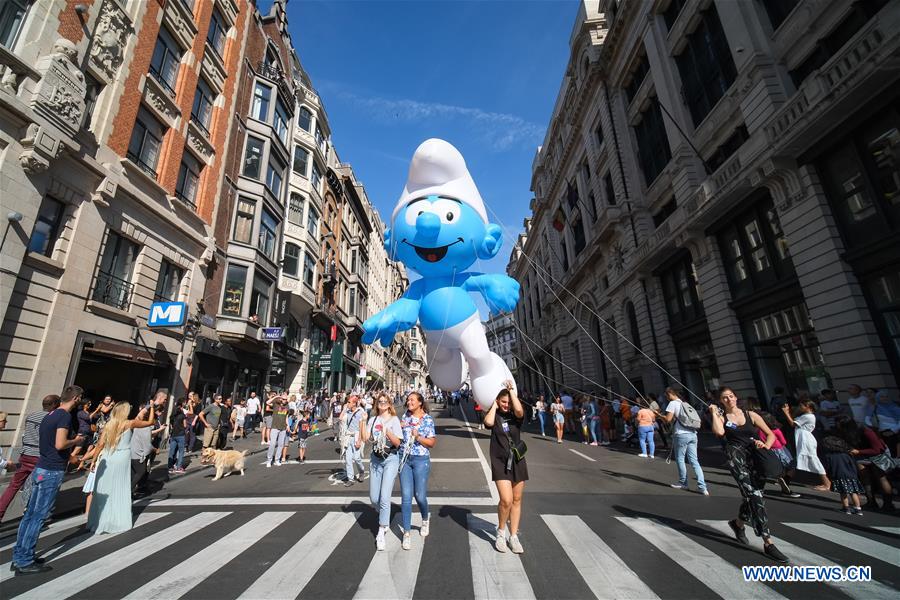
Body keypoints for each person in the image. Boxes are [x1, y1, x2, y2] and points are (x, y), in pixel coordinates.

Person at [11, 386, 87, 575]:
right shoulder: (64, 416)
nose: (80, 402)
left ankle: (20, 555)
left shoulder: (50, 415)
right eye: (80, 399)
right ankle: (25, 560)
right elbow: (60, 444)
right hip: (51, 470)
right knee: (38, 517)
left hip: (41, 467)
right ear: (76, 398)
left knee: (30, 515)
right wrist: (76, 441)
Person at [709, 387, 788, 563]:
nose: (729, 400)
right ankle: (768, 542)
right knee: (754, 495)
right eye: (725, 398)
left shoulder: (751, 415)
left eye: (731, 396)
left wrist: (765, 445)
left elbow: (770, 434)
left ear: (736, 397)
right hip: (736, 458)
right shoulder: (722, 417)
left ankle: (737, 524)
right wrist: (714, 413)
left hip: (755, 458)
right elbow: (719, 432)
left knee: (751, 496)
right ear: (720, 401)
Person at [87, 401, 155, 533]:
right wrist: (151, 407)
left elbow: (100, 445)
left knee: (104, 489)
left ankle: (100, 520)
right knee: (119, 488)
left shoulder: (108, 425)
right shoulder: (129, 423)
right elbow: (150, 422)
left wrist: (93, 460)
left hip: (107, 457)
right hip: (121, 458)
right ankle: (116, 519)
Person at [483, 381, 527, 554]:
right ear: (498, 401)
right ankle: (501, 532)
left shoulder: (516, 417)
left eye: (508, 402)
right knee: (506, 500)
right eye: (503, 402)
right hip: (500, 461)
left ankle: (513, 536)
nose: (506, 405)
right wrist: (494, 405)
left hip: (517, 460)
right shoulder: (495, 416)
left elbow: (519, 410)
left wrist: (511, 392)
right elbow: (487, 422)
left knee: (517, 500)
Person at [0, 395, 59, 522]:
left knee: (13, 486)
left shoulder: (31, 416)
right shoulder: (51, 418)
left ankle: (0, 512)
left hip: (25, 454)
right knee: (39, 487)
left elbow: (26, 434)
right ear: (54, 405)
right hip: (39, 456)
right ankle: (31, 515)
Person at [360, 392, 402, 551]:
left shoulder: (394, 420)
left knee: (385, 497)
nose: (382, 403)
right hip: (376, 459)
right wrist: (363, 422)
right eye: (380, 401)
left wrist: (387, 431)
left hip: (390, 458)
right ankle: (384, 513)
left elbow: (398, 443)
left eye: (385, 401)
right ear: (377, 404)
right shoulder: (373, 419)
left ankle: (381, 530)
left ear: (390, 404)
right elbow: (366, 439)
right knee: (374, 498)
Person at [399, 392, 436, 551]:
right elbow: (398, 438)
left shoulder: (427, 419)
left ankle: (425, 519)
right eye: (408, 399)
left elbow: (432, 443)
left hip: (421, 460)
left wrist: (418, 437)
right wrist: (396, 430)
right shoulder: (404, 417)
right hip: (404, 459)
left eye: (412, 400)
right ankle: (406, 533)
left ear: (420, 403)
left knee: (420, 496)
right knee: (406, 496)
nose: (409, 402)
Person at [658, 387, 708, 495]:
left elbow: (668, 419)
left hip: (681, 434)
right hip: (693, 434)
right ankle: (702, 487)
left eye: (666, 395)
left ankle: (683, 483)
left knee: (680, 459)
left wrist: (659, 415)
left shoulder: (672, 403)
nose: (666, 398)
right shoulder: (684, 403)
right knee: (694, 461)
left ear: (670, 394)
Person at [781, 399, 830, 491]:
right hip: (802, 439)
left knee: (813, 459)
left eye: (802, 406)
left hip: (806, 440)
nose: (800, 407)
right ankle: (786, 478)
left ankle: (826, 483)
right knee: (799, 458)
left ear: (808, 406)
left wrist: (786, 412)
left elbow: (792, 423)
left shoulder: (809, 416)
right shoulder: (805, 415)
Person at [821, 416, 866, 515]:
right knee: (854, 492)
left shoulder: (830, 456)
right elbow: (852, 464)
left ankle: (846, 508)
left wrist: (831, 475)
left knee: (843, 493)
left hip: (840, 476)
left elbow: (829, 467)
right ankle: (858, 508)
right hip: (851, 476)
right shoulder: (847, 454)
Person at [758, 412, 799, 498]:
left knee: (777, 465)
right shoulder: (776, 430)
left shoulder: (760, 431)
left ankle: (780, 478)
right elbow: (784, 442)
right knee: (790, 465)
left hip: (768, 450)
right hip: (780, 450)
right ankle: (785, 479)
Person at [343, 395, 366, 484]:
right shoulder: (347, 412)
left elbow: (361, 427)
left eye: (349, 402)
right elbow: (341, 418)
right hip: (348, 437)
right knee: (348, 459)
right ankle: (350, 479)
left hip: (356, 436)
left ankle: (361, 471)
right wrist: (345, 409)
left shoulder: (360, 412)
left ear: (354, 403)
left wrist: (359, 440)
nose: (347, 404)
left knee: (357, 458)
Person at [871, 390, 900, 456]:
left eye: (886, 396)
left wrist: (893, 431)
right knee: (889, 453)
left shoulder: (894, 407)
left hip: (894, 433)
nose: (885, 398)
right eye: (882, 396)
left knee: (896, 453)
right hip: (882, 433)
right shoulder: (875, 407)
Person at [266, 396, 289, 468]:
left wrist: (288, 425)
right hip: (275, 427)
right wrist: (276, 396)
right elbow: (267, 402)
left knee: (281, 445)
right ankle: (269, 460)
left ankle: (277, 460)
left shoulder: (287, 406)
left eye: (285, 399)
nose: (284, 400)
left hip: (283, 427)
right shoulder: (276, 404)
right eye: (283, 399)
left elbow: (286, 416)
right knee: (272, 444)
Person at [168, 399, 187, 474]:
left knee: (172, 451)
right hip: (181, 434)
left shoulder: (173, 415)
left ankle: (170, 467)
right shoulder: (182, 415)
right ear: (182, 404)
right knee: (181, 451)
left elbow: (171, 425)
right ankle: (179, 467)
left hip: (173, 435)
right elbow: (185, 425)